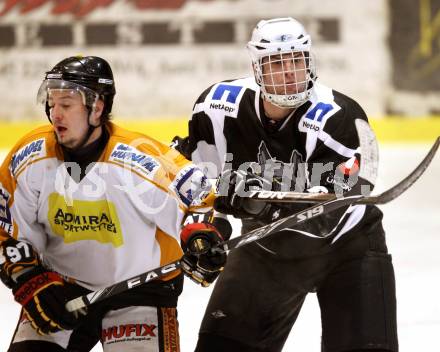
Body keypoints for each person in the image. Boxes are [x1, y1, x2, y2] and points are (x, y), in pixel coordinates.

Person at [173, 17, 398, 352]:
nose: (290, 72)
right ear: (257, 68)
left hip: (349, 251)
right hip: (266, 249)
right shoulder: (216, 108)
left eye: (297, 60)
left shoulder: (338, 118)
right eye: (277, 63)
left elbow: (327, 216)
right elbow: (189, 180)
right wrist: (207, 231)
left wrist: (257, 202)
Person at [0, 55, 226, 352]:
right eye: (52, 103)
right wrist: (30, 280)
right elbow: (5, 231)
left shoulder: (139, 158)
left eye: (66, 105)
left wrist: (201, 237)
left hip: (141, 289)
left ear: (97, 108)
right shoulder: (30, 156)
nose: (55, 114)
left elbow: (199, 201)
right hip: (60, 286)